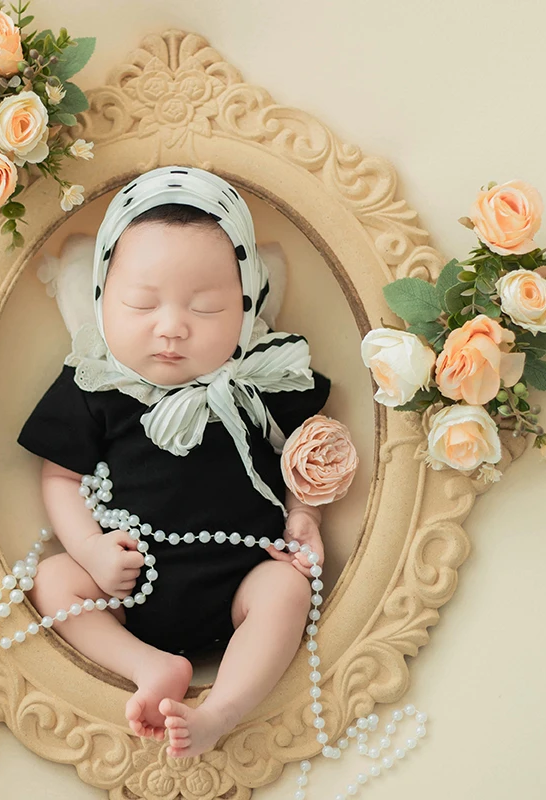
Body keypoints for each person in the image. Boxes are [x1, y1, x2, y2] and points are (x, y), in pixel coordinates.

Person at [17, 165, 331, 758]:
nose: (171, 328)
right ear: (103, 298)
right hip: (127, 583)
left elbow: (304, 453)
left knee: (286, 591)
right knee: (52, 578)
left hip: (242, 577)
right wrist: (89, 549)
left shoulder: (262, 380)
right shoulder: (97, 383)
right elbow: (60, 475)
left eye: (207, 308)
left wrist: (303, 514)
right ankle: (149, 665)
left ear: (246, 305)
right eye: (141, 303)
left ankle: (220, 711)